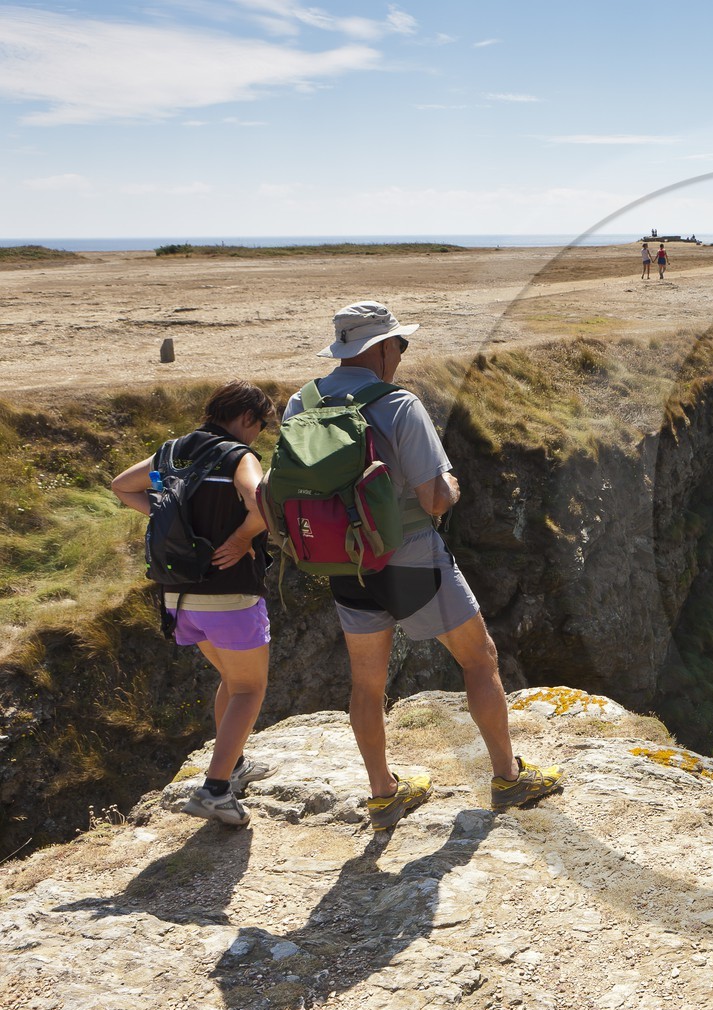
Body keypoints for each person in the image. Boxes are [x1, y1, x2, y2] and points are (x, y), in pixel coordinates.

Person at [285, 301, 564, 830]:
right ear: (381, 348)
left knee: (367, 685)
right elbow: (434, 499)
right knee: (479, 659)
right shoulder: (399, 404)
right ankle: (508, 778)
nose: (402, 354)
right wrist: (452, 486)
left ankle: (384, 795)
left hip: (342, 561)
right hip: (409, 556)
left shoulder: (301, 403)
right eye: (400, 344)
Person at [110, 381, 279, 826]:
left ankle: (234, 765)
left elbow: (122, 486)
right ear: (247, 417)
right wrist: (241, 538)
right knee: (249, 688)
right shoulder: (238, 455)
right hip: (230, 595)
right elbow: (263, 501)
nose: (258, 434)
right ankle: (215, 790)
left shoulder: (172, 451)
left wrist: (176, 522)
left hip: (179, 597)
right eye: (261, 425)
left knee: (232, 680)